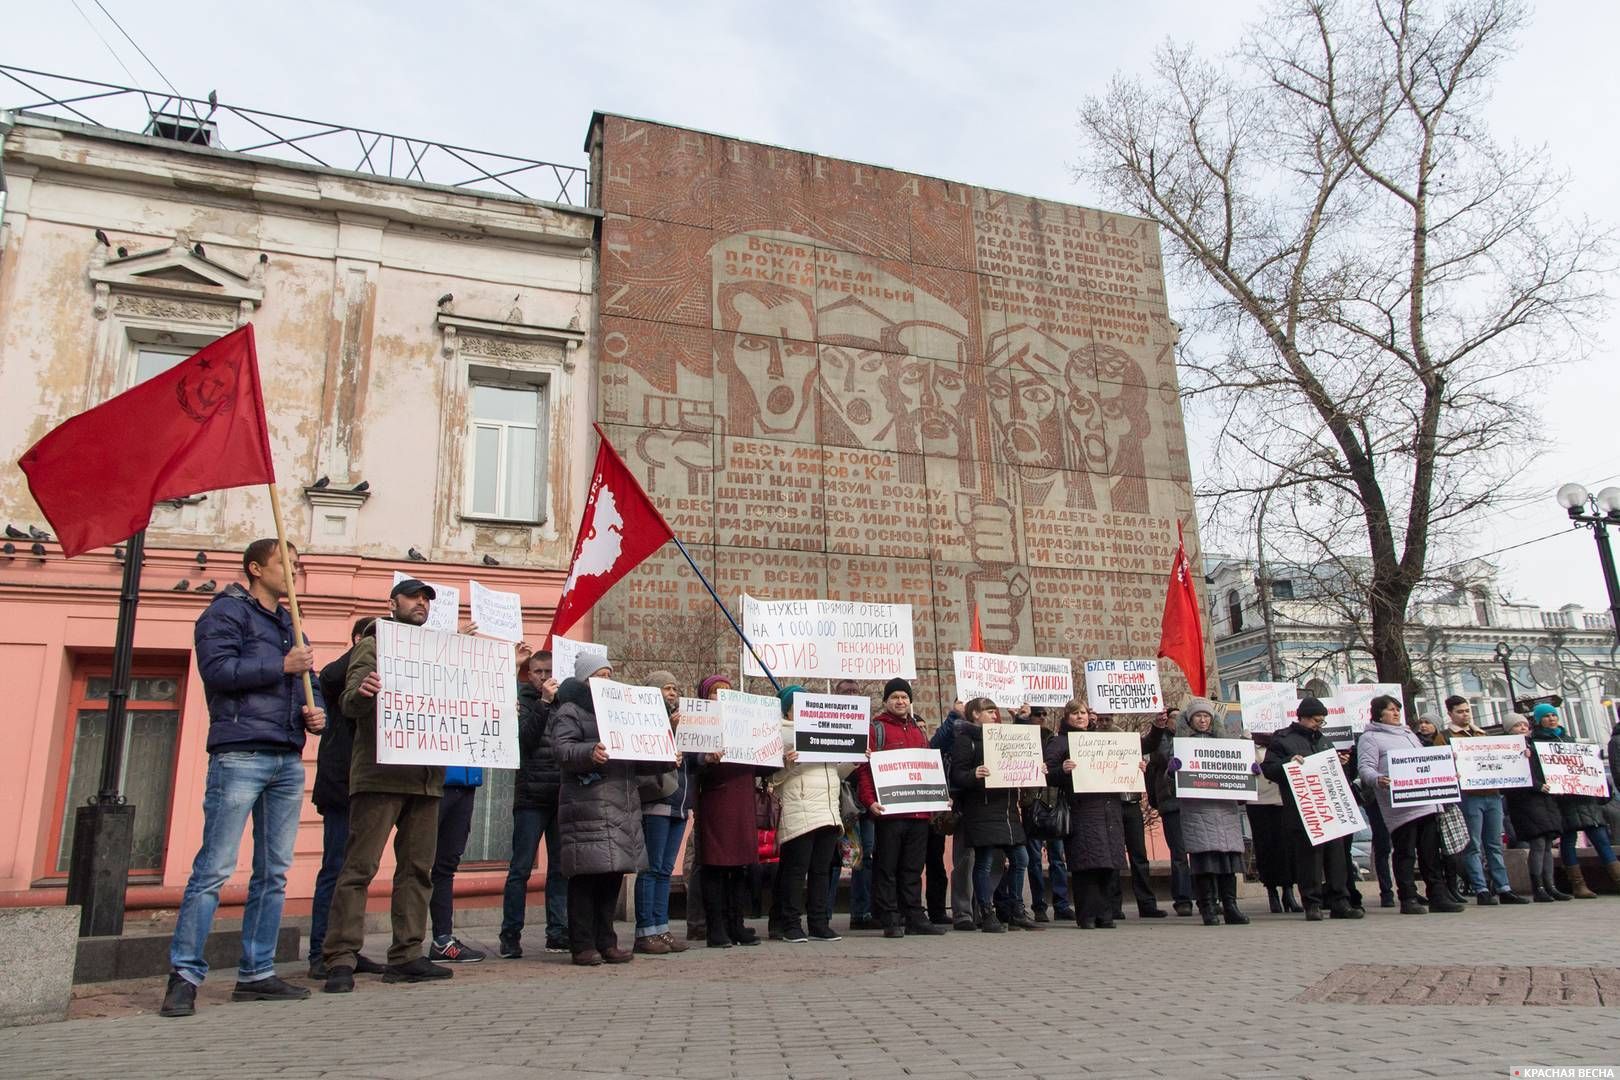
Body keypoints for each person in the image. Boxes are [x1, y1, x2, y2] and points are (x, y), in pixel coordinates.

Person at [160, 539, 327, 1018]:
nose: (294, 573)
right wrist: (281, 665)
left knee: (273, 873)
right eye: (286, 565)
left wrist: (317, 716)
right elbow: (217, 671)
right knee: (213, 869)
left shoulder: (290, 622)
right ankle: (184, 975)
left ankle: (256, 972)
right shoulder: (225, 613)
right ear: (256, 568)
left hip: (286, 757)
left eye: (297, 566)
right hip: (239, 753)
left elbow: (309, 684)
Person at [322, 579, 452, 993]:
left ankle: (407, 955)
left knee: (418, 870)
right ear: (392, 603)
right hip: (380, 774)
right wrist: (362, 691)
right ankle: (341, 957)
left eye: (426, 599)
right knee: (359, 868)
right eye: (413, 596)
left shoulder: (438, 651)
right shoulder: (374, 643)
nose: (420, 604)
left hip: (426, 778)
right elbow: (348, 702)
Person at [551, 648, 673, 966]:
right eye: (599, 676)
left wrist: (663, 756)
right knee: (586, 878)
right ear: (585, 680)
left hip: (622, 805)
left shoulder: (620, 710)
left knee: (612, 876)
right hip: (587, 804)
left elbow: (636, 759)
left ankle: (607, 941)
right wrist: (589, 751)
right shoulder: (571, 711)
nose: (607, 680)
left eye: (608, 675)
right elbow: (562, 749)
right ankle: (582, 945)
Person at [308, 617, 385, 980]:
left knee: (359, 870)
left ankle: (348, 948)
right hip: (340, 785)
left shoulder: (381, 677)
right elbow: (327, 676)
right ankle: (321, 952)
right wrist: (369, 645)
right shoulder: (340, 675)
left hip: (368, 785)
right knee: (336, 869)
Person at [852, 678, 947, 939]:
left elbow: (928, 768)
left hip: (918, 813)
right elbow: (864, 770)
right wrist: (870, 801)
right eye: (895, 697)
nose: (900, 701)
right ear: (885, 701)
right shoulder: (876, 729)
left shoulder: (918, 730)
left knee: (913, 868)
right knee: (887, 867)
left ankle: (914, 915)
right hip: (890, 812)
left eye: (904, 697)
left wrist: (940, 797)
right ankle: (891, 917)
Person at [1356, 695, 1464, 915]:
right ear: (1378, 714)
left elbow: (1423, 763)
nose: (1396, 713)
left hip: (1425, 800)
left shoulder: (1408, 734)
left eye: (1398, 709)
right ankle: (1408, 897)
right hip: (1400, 805)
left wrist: (1445, 768)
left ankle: (1437, 895)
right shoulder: (1370, 737)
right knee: (1405, 851)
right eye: (1391, 709)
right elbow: (1365, 768)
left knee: (1430, 852)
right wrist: (1378, 779)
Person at [1261, 697, 1360, 920]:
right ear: (1303, 717)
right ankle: (1312, 903)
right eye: (1316, 720)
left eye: (1322, 721)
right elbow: (1269, 769)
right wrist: (1289, 761)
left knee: (1336, 859)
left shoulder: (1323, 740)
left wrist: (1342, 763)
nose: (1319, 724)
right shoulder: (1283, 739)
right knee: (1309, 860)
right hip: (1303, 809)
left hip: (1329, 809)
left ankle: (1339, 902)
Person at [693, 673, 772, 948]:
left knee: (740, 866)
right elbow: (691, 762)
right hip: (716, 800)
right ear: (706, 698)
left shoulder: (746, 722)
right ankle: (716, 928)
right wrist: (706, 759)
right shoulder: (698, 723)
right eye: (716, 693)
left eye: (726, 692)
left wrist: (777, 756)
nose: (721, 698)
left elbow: (762, 762)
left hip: (742, 800)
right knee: (716, 866)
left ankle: (736, 924)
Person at [769, 684, 851, 943]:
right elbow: (772, 778)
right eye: (798, 707)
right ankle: (790, 924)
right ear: (788, 711)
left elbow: (834, 773)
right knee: (796, 870)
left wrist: (854, 760)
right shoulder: (779, 733)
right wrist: (790, 763)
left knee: (821, 870)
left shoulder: (823, 731)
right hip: (799, 808)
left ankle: (819, 922)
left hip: (827, 810)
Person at [500, 649, 568, 958]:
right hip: (530, 797)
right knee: (520, 869)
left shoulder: (565, 703)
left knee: (560, 869)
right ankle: (510, 935)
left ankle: (557, 932)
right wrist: (542, 704)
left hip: (560, 796)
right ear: (529, 675)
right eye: (538, 672)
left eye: (548, 672)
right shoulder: (523, 702)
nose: (543, 677)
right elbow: (525, 741)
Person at [950, 698, 1039, 932]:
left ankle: (1016, 908)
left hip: (1007, 809)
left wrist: (1034, 769)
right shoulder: (965, 740)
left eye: (995, 712)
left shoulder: (1002, 737)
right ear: (975, 714)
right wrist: (974, 774)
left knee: (1021, 858)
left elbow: (1023, 749)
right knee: (985, 862)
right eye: (989, 711)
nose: (994, 715)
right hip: (981, 810)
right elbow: (957, 775)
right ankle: (987, 912)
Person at [1046, 700, 1135, 928]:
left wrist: (1135, 767)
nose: (1080, 717)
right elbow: (1047, 773)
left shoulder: (1102, 740)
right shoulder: (1060, 742)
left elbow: (1131, 756)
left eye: (1083, 713)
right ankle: (1086, 915)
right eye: (1074, 713)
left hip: (1109, 810)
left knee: (1107, 865)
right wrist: (1063, 770)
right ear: (1066, 717)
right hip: (1082, 809)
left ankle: (1105, 915)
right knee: (1086, 866)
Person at [1163, 699, 1251, 925]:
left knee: (1227, 861)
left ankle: (1230, 906)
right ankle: (1208, 907)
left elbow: (1239, 777)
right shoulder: (1180, 744)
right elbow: (1173, 787)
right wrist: (1172, 772)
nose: (1202, 720)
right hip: (1197, 811)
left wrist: (1250, 772)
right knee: (1206, 862)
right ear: (1190, 720)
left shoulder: (1226, 744)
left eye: (1206, 716)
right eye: (1197, 716)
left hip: (1225, 811)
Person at [1444, 696, 1528, 906]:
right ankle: (1481, 888)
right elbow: (1442, 763)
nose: (1465, 715)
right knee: (1473, 844)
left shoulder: (1481, 734)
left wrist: (1520, 756)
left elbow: (1500, 757)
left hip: (1492, 793)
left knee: (1495, 843)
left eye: (1467, 711)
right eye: (1460, 711)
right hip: (1470, 795)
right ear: (1451, 714)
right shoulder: (1446, 737)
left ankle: (1503, 887)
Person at [1530, 703, 1619, 898]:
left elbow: (1588, 767)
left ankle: (1617, 879)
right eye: (1546, 716)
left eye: (1554, 715)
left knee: (1601, 839)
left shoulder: (1571, 741)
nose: (1551, 719)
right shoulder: (1535, 745)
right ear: (1538, 721)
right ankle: (1578, 885)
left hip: (1584, 798)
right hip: (1562, 800)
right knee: (1568, 841)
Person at [634, 670, 693, 955]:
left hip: (678, 805)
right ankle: (645, 931)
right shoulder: (643, 720)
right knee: (651, 868)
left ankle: (662, 928)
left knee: (666, 871)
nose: (673, 693)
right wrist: (668, 730)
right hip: (656, 802)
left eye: (675, 688)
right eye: (667, 688)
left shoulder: (681, 720)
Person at [1092, 712, 1166, 920]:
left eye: (1108, 719)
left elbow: (1149, 744)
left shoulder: (1127, 740)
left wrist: (1158, 726)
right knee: (1114, 856)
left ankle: (1147, 904)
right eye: (1101, 720)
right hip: (1110, 803)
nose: (1105, 723)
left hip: (1131, 802)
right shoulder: (1092, 741)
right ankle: (1113, 906)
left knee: (1139, 855)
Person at [428, 754, 489, 964]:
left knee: (446, 865)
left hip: (466, 782)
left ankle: (442, 940)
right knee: (417, 863)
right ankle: (406, 943)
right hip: (434, 782)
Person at [1502, 714, 1569, 901]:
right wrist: (1537, 785)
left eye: (1525, 724)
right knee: (1538, 843)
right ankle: (1538, 886)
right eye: (1517, 725)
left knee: (1547, 843)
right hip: (1525, 802)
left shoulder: (1534, 745)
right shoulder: (1506, 749)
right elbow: (1513, 777)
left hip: (1544, 800)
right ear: (1509, 730)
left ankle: (1550, 885)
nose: (1523, 728)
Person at [930, 698, 977, 930]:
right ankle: (963, 913)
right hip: (963, 802)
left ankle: (987, 909)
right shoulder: (955, 734)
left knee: (995, 860)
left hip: (994, 806)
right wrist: (953, 716)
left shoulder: (996, 735)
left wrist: (1020, 719)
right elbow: (935, 746)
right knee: (965, 859)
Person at [1143, 706, 1194, 916]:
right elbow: (1161, 757)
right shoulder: (1161, 740)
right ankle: (1183, 900)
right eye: (1174, 717)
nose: (1178, 720)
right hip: (1172, 803)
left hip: (1194, 802)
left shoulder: (1194, 738)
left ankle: (1208, 896)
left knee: (1200, 852)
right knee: (1179, 853)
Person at [1245, 734, 1300, 913]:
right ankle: (1271, 890)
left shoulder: (1282, 741)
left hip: (1280, 799)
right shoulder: (1245, 743)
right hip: (1258, 802)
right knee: (1265, 847)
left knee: (1286, 847)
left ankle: (1288, 891)